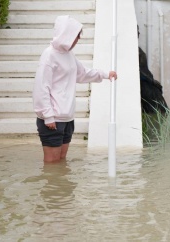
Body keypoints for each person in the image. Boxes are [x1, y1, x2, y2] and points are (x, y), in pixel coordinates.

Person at [33, 15, 117, 163]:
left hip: (67, 118)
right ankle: (52, 187)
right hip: (52, 119)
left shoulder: (68, 55)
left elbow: (82, 73)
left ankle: (62, 187)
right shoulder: (49, 56)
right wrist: (48, 115)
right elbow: (41, 87)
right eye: (76, 36)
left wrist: (105, 74)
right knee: (52, 164)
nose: (78, 40)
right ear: (67, 35)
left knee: (61, 161)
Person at [137, 25, 168, 113]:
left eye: (138, 32)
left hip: (148, 82)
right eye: (137, 32)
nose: (139, 34)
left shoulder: (138, 51)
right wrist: (152, 81)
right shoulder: (136, 52)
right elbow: (140, 72)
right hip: (145, 84)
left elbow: (144, 70)